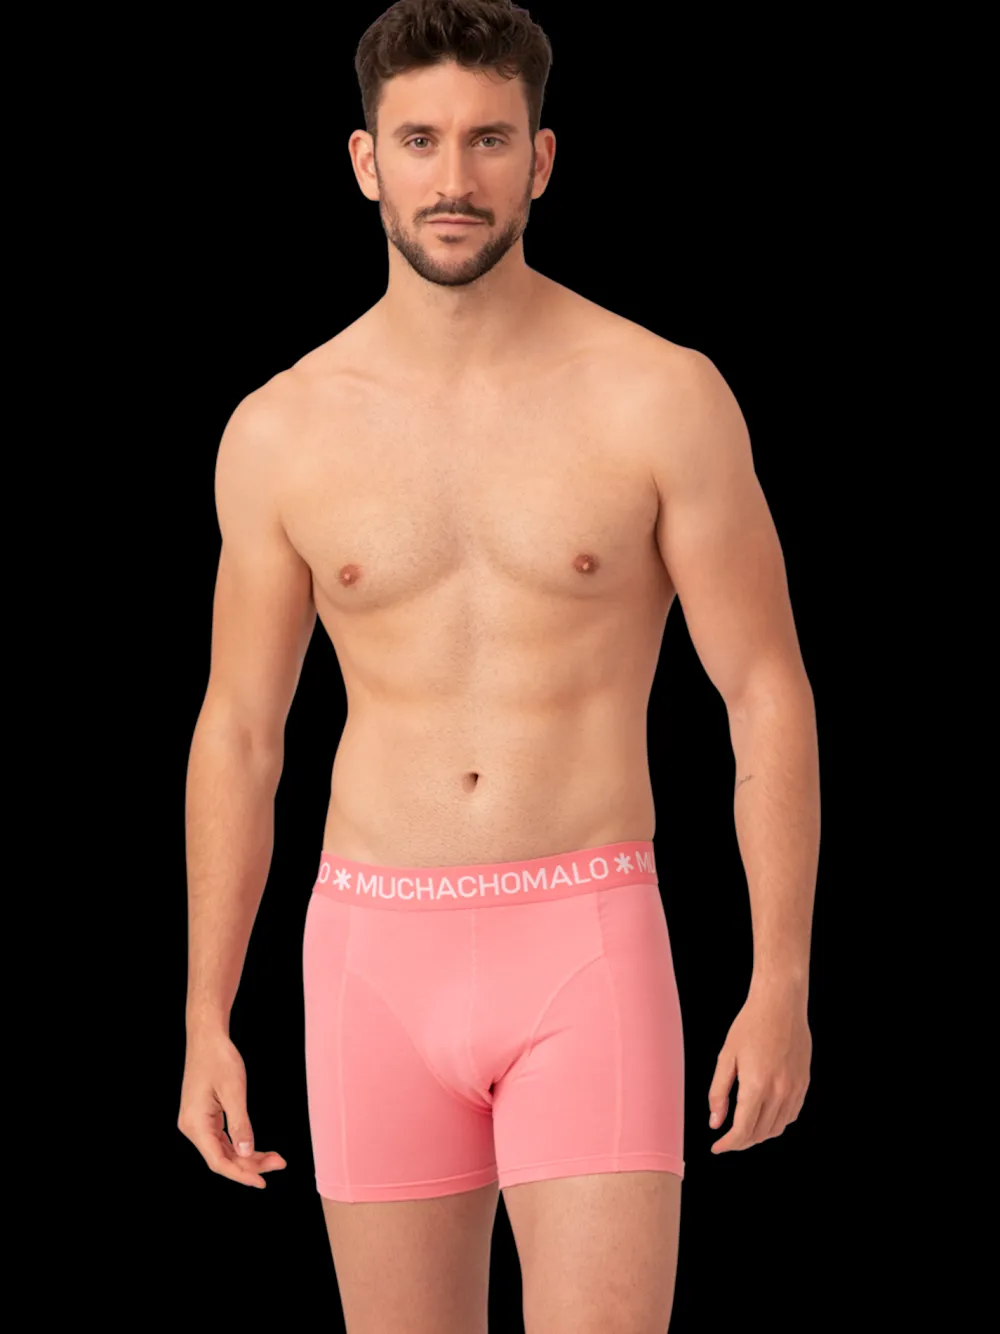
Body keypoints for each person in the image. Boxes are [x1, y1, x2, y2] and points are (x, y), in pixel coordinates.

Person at [177, 1, 819, 1329]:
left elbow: (764, 691)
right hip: (369, 952)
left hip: (585, 938)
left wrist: (783, 982)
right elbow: (240, 729)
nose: (454, 177)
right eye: (420, 141)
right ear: (366, 162)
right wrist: (204, 1014)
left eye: (488, 139)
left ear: (542, 159)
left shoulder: (660, 395)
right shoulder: (282, 429)